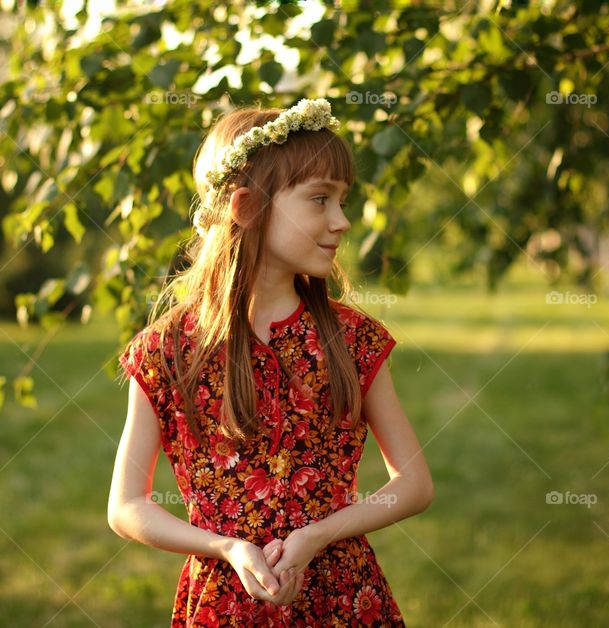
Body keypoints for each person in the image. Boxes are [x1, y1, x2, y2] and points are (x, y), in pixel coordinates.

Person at [107, 98, 434, 626]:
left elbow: (415, 484)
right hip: (225, 603)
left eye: (343, 200)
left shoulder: (352, 340)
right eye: (320, 200)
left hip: (343, 597)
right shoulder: (165, 352)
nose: (343, 221)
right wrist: (226, 548)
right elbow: (126, 507)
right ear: (246, 207)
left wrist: (319, 533)